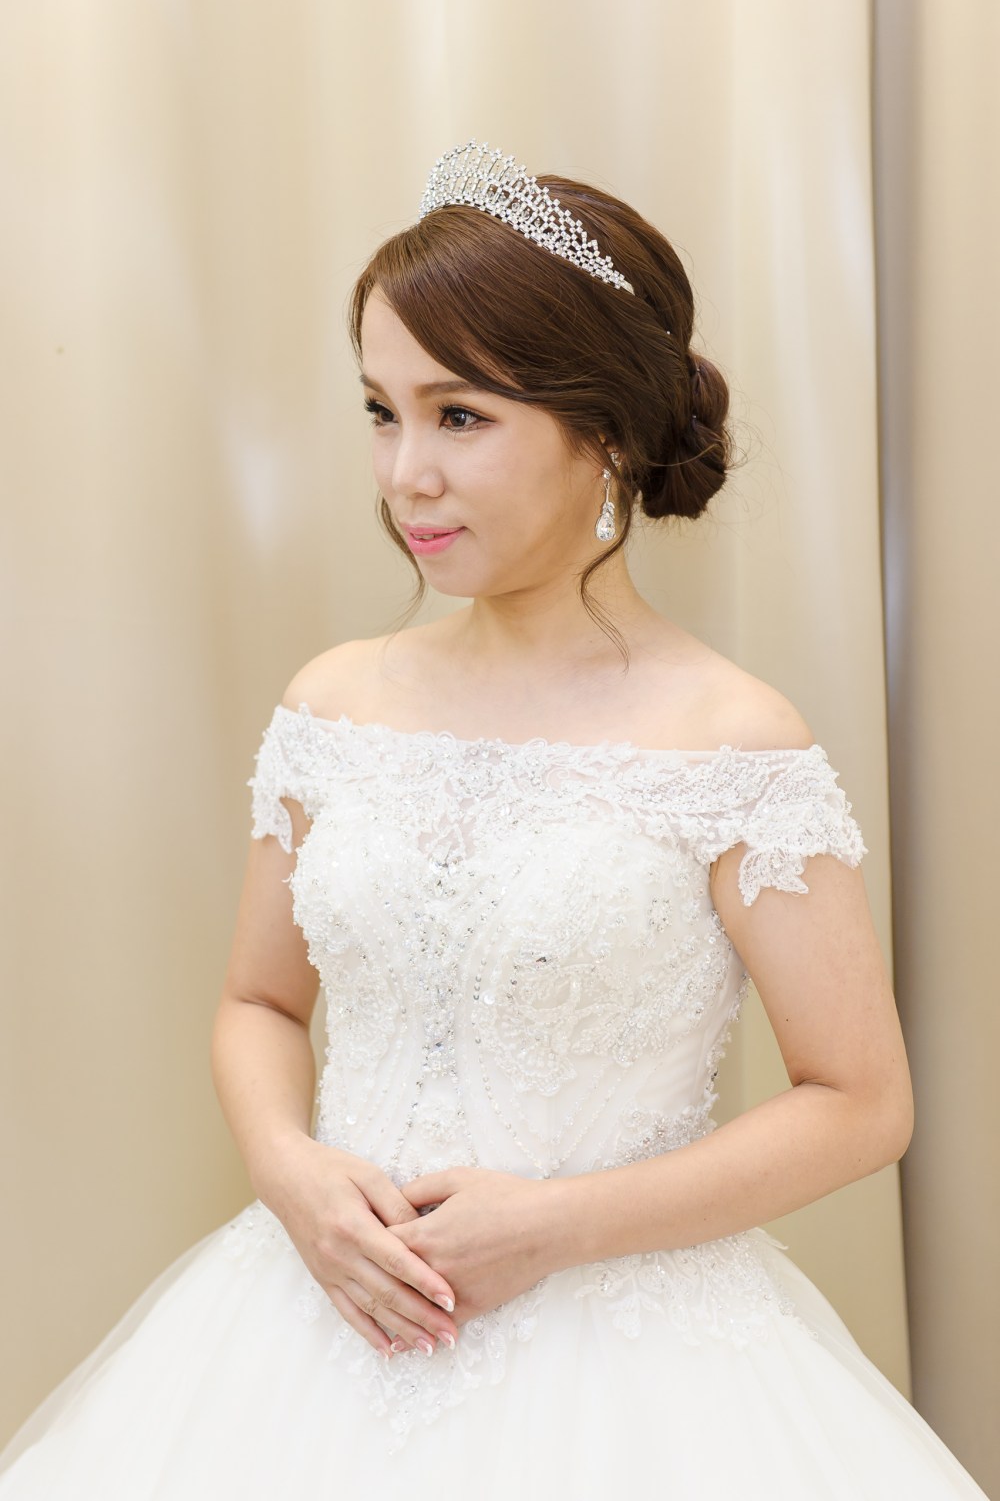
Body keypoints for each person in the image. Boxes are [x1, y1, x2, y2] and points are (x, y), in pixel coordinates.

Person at [0, 140, 989, 1500]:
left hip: (635, 1371)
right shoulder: (332, 705)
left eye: (459, 417)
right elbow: (258, 1003)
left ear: (608, 432)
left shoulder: (731, 739)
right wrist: (291, 1175)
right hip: (310, 1323)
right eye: (380, 411)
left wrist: (558, 1225)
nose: (405, 472)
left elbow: (860, 1101)